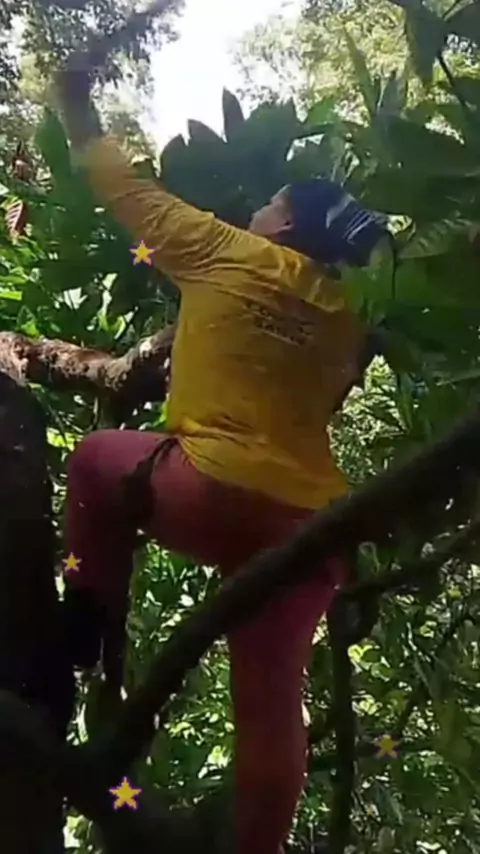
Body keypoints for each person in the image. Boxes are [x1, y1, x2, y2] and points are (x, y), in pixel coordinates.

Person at [56, 63, 388, 854]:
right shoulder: (355, 314)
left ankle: (88, 621)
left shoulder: (221, 250)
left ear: (284, 225)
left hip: (210, 490)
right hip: (309, 533)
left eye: (270, 203)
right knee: (271, 710)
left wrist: (75, 110)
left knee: (96, 460)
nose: (256, 209)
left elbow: (127, 191)